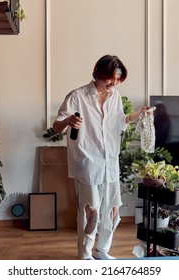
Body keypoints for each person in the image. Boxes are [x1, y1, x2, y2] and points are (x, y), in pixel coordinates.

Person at [53, 55, 151, 260]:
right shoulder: (77, 96)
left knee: (112, 210)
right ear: (99, 73)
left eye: (118, 79)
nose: (114, 83)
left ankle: (102, 251)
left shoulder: (115, 96)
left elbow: (120, 122)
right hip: (87, 161)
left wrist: (140, 114)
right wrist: (69, 121)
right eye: (111, 78)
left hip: (110, 161)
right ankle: (85, 255)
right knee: (91, 211)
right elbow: (56, 127)